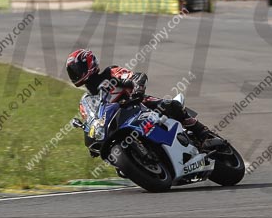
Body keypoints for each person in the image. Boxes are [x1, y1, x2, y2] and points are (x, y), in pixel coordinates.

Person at [65, 49, 214, 147]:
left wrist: (137, 89)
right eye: (72, 72)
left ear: (88, 63)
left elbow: (136, 77)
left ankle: (203, 134)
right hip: (117, 126)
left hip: (139, 106)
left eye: (77, 69)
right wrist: (91, 137)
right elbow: (92, 121)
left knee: (171, 105)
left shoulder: (110, 73)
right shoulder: (86, 101)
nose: (75, 74)